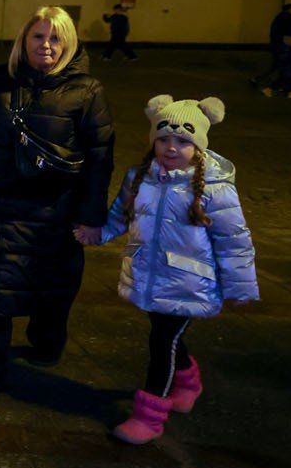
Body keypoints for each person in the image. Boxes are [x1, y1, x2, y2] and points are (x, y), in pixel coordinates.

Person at [0, 6, 115, 405]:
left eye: (55, 38)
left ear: (69, 43)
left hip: (53, 211)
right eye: (38, 37)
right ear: (23, 41)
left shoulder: (87, 91)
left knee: (54, 285)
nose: (46, 46)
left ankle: (47, 342)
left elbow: (99, 156)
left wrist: (91, 215)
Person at [80, 95, 257, 444]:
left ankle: (149, 417)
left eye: (182, 140)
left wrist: (240, 286)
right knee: (169, 337)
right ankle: (189, 382)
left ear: (199, 144)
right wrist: (97, 232)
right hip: (150, 276)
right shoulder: (140, 177)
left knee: (162, 342)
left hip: (189, 282)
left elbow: (234, 239)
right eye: (163, 138)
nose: (171, 147)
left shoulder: (213, 189)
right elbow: (121, 215)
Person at [256, 4, 291, 98]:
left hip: (277, 46)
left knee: (282, 69)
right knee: (289, 69)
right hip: (285, 48)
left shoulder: (279, 17)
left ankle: (284, 89)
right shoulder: (289, 19)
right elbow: (288, 35)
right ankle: (275, 88)